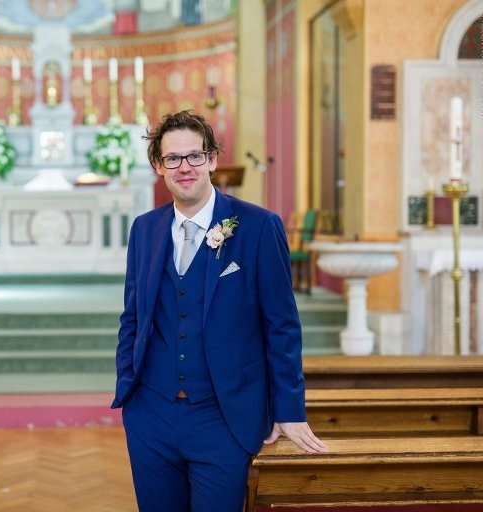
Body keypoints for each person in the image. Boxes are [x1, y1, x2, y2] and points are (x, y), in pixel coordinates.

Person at [111, 110, 327, 511]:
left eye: (195, 156)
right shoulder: (144, 229)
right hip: (151, 417)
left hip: (224, 418)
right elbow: (133, 318)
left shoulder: (259, 226)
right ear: (159, 166)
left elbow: (281, 326)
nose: (185, 167)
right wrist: (130, 389)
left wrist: (289, 410)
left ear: (212, 159)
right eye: (173, 158)